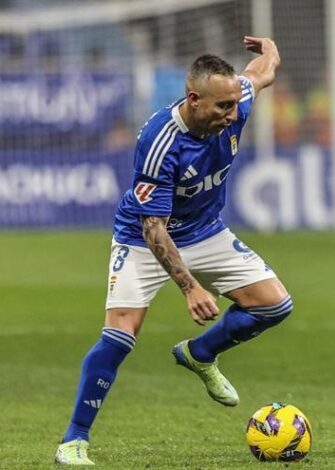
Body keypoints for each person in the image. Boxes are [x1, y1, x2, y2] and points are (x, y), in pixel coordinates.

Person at [55, 37, 285, 465]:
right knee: (120, 335)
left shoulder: (237, 98)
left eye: (235, 105)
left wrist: (269, 49)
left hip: (204, 231)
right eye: (222, 108)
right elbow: (154, 229)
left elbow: (260, 73)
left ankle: (200, 353)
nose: (233, 115)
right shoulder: (161, 143)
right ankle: (74, 440)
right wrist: (191, 288)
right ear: (194, 100)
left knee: (274, 306)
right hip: (143, 239)